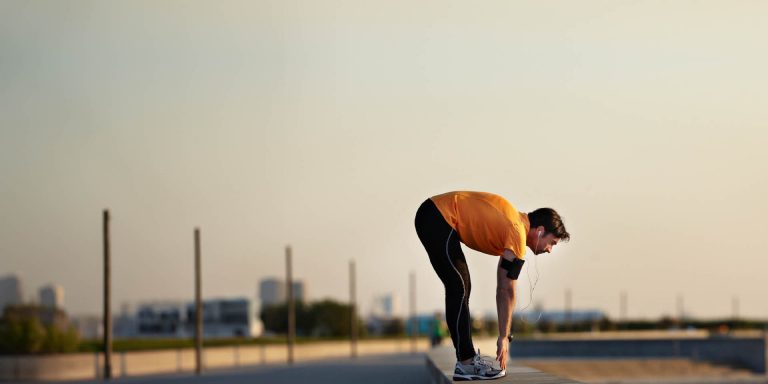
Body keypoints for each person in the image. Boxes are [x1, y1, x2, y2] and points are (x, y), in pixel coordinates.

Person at [414, 191, 569, 381]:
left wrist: (504, 335)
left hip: (434, 215)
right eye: (551, 242)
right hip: (437, 216)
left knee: (461, 287)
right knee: (459, 288)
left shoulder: (515, 226)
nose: (550, 250)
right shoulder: (517, 232)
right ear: (540, 231)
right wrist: (504, 337)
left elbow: (502, 286)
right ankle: (466, 362)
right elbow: (507, 290)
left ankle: (466, 360)